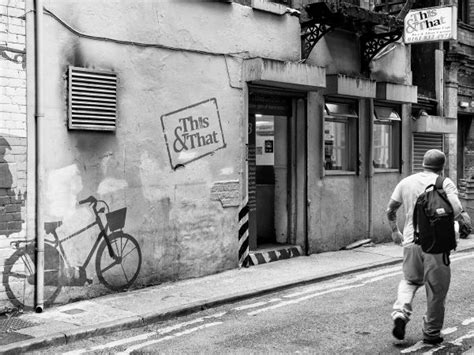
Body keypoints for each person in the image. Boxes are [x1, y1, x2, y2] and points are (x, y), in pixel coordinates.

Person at [386, 149, 470, 345]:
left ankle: (400, 313)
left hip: (410, 242)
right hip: (437, 246)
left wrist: (394, 231)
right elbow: (457, 209)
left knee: (409, 281)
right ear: (442, 166)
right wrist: (464, 221)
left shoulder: (406, 182)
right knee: (436, 291)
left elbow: (390, 210)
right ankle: (431, 332)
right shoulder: (445, 183)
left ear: (422, 163)